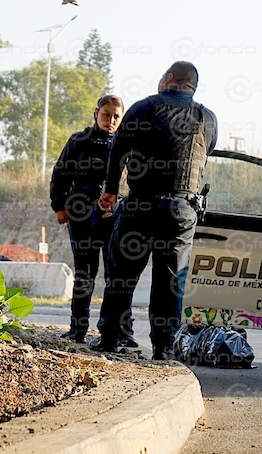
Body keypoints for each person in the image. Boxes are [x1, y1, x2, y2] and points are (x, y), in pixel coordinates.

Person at [89, 61, 217, 358]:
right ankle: (164, 347)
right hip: (181, 210)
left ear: (170, 78)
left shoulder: (143, 108)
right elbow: (207, 151)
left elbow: (118, 150)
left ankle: (109, 338)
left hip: (140, 206)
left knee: (122, 274)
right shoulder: (207, 117)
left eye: (162, 76)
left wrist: (110, 190)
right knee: (170, 279)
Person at [50, 95, 137, 347]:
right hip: (81, 217)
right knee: (85, 274)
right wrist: (59, 206)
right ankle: (77, 329)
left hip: (115, 218)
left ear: (122, 118)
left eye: (116, 116)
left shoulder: (126, 146)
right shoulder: (79, 140)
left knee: (117, 276)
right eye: (106, 114)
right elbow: (60, 173)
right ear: (96, 112)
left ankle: (122, 332)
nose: (110, 120)